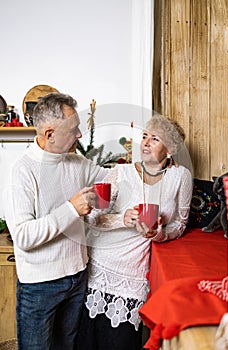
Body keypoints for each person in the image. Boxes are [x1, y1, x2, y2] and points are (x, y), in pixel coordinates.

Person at [76, 113, 193, 350]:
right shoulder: (121, 172)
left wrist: (159, 234)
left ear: (169, 149)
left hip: (135, 275)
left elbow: (179, 224)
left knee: (122, 343)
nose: (146, 143)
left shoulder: (181, 176)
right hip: (100, 267)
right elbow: (92, 216)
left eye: (155, 139)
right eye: (145, 136)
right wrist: (123, 219)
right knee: (87, 342)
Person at [4, 93, 108, 350]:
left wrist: (150, 168)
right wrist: (71, 209)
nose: (80, 135)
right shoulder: (23, 172)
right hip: (40, 287)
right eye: (73, 130)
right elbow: (24, 237)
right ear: (50, 133)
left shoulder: (77, 162)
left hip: (77, 277)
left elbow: (113, 178)